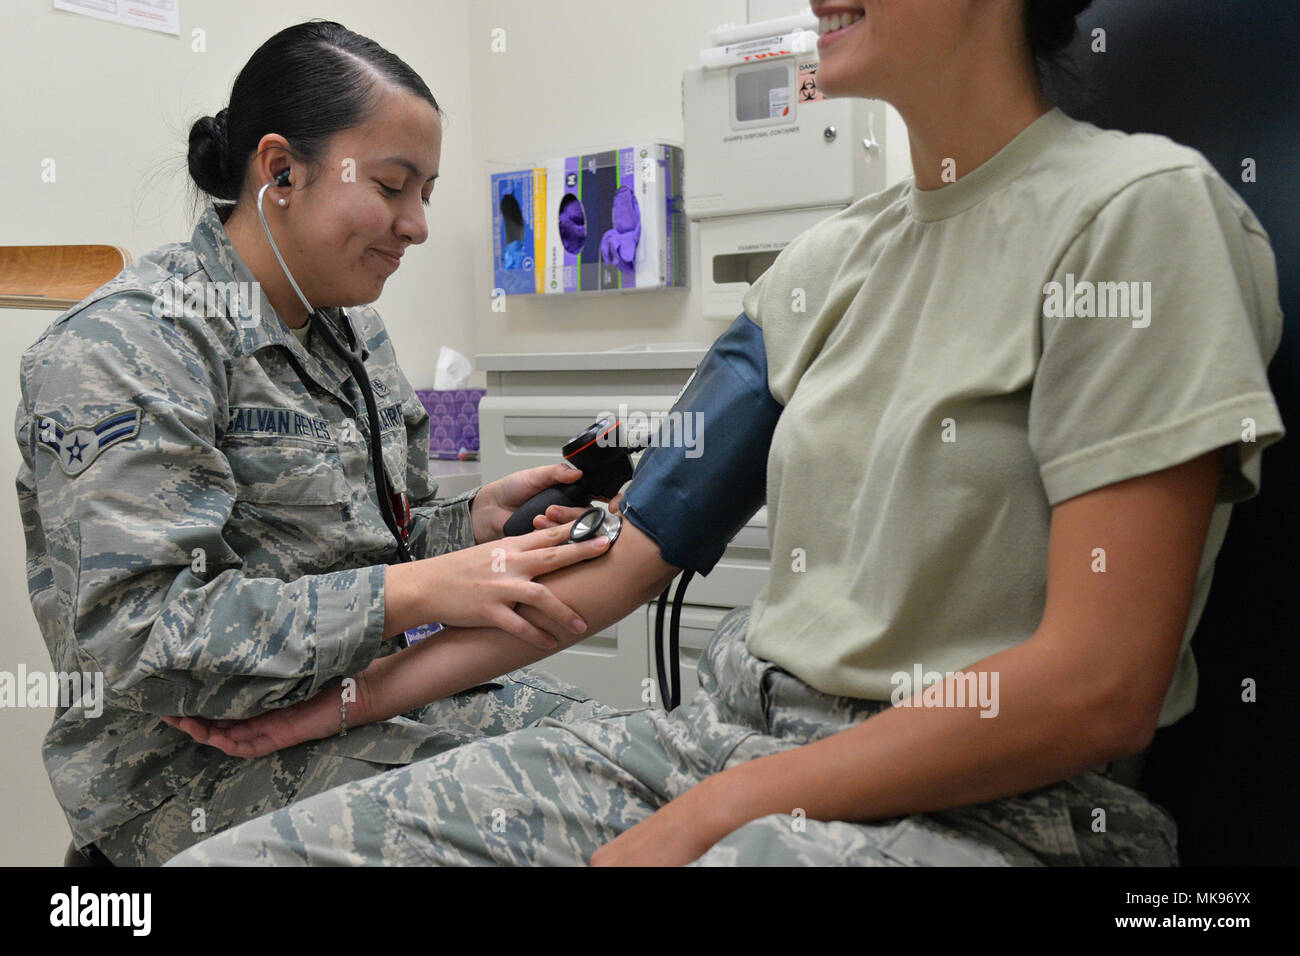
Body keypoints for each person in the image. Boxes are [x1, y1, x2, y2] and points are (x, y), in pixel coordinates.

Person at [166, 0, 1285, 866]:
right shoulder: (822, 263)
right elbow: (608, 571)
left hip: (997, 812)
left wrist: (729, 805)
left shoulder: (1137, 214)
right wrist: (342, 700)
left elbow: (1101, 682)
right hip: (719, 738)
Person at [14, 21, 618, 867]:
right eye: (392, 186)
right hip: (190, 777)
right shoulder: (128, 347)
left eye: (427, 194)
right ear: (281, 172)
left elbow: (377, 546)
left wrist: (471, 527)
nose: (417, 226)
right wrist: (416, 592)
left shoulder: (350, 335)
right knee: (552, 824)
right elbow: (149, 639)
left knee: (619, 762)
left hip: (361, 703)